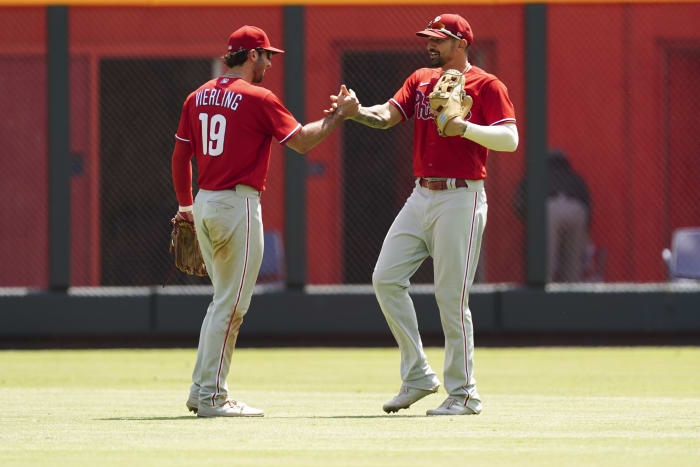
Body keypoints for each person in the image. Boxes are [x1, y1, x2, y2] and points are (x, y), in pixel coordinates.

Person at [330, 13, 518, 415]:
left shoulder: (487, 84)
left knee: (451, 296)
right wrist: (357, 110)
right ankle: (418, 374)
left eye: (439, 39)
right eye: (429, 38)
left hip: (461, 195)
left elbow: (510, 139)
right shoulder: (420, 79)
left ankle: (465, 393)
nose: (430, 44)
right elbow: (387, 116)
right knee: (385, 278)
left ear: (462, 43)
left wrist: (464, 126)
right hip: (422, 195)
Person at [171, 25, 358, 418]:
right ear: (251, 55)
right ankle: (211, 397)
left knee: (222, 302)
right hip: (237, 205)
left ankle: (200, 389)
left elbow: (179, 157)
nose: (271, 62)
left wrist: (186, 207)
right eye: (267, 54)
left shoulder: (197, 96)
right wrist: (338, 117)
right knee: (232, 305)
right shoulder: (258, 97)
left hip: (205, 203)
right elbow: (302, 142)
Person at [514, 149, 591, 282]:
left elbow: (519, 201)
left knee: (545, 264)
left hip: (549, 210)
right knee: (572, 266)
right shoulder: (574, 176)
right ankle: (573, 293)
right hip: (577, 210)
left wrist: (531, 223)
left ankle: (543, 292)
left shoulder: (536, 174)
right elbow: (587, 204)